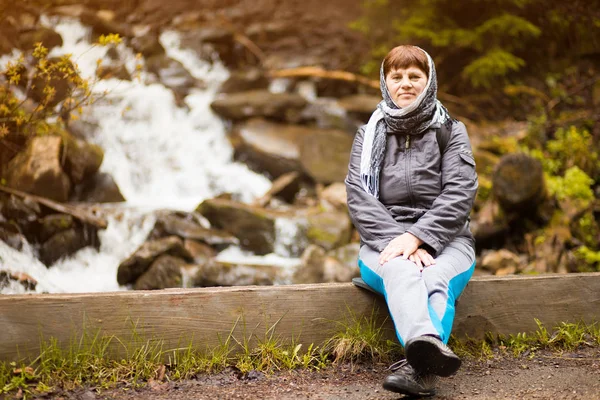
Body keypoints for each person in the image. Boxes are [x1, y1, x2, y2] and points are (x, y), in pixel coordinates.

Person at [345, 45, 478, 397]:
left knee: (434, 276)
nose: (405, 84)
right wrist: (401, 240)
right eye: (397, 76)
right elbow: (359, 197)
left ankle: (417, 365)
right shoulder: (368, 134)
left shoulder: (451, 131)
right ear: (385, 82)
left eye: (414, 76)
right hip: (382, 244)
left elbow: (460, 193)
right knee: (403, 269)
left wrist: (420, 236)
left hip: (449, 242)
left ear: (429, 81)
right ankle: (426, 359)